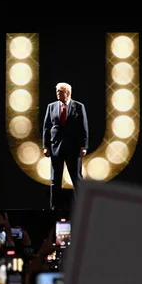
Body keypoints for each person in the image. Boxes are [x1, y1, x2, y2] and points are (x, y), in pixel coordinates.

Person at [42, 82, 89, 210]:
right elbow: (46, 128)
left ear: (67, 92)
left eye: (60, 91)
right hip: (56, 148)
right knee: (55, 180)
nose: (57, 93)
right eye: (57, 91)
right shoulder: (51, 107)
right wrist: (45, 146)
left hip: (73, 149)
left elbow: (84, 127)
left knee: (76, 178)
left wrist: (84, 146)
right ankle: (54, 207)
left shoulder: (79, 107)